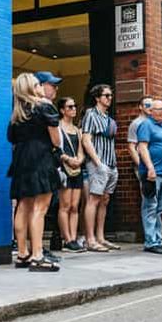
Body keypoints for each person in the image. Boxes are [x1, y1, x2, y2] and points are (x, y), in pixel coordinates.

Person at [8, 73, 61, 272]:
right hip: (41, 159)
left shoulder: (17, 114)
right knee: (40, 208)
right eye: (37, 84)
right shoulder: (44, 107)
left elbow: (12, 138)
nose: (40, 87)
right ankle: (37, 256)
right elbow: (56, 140)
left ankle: (23, 254)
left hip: (21, 160)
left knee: (23, 206)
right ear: (32, 88)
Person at [81, 84, 121, 252]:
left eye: (110, 95)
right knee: (94, 199)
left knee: (104, 200)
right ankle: (90, 239)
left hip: (111, 163)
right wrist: (98, 162)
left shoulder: (108, 118)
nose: (109, 98)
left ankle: (100, 237)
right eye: (106, 95)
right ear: (97, 98)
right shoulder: (91, 114)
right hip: (98, 163)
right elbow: (86, 140)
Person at [137, 100, 162, 254]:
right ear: (151, 111)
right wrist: (150, 168)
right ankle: (150, 242)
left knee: (159, 208)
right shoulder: (146, 125)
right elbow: (142, 147)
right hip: (152, 174)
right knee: (150, 206)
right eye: (159, 109)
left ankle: (158, 240)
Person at [57, 97, 86, 253]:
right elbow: (56, 149)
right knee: (65, 205)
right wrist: (68, 159)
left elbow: (81, 150)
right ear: (62, 110)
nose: (74, 109)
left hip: (76, 169)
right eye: (70, 106)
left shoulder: (77, 130)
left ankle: (73, 239)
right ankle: (67, 239)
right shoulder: (57, 127)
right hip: (64, 168)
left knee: (75, 206)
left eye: (75, 106)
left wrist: (79, 160)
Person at [127, 96, 154, 180]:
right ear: (140, 107)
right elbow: (131, 148)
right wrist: (141, 165)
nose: (150, 107)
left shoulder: (154, 122)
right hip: (144, 165)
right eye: (147, 105)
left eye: (152, 105)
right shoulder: (136, 123)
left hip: (156, 164)